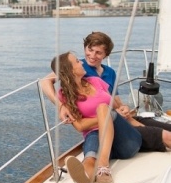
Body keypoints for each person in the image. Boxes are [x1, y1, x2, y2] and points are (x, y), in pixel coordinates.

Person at [42, 31, 171, 152]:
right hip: (106, 124)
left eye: (98, 52)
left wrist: (124, 108)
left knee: (160, 125)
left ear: (106, 55)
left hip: (121, 117)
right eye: (90, 50)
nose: (92, 56)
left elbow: (116, 101)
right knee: (159, 134)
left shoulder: (109, 72)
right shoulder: (78, 67)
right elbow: (45, 81)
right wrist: (61, 106)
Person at [51, 51, 142, 183]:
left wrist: (122, 109)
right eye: (77, 61)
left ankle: (103, 165)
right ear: (70, 70)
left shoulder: (95, 81)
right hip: (93, 133)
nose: (81, 62)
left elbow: (117, 107)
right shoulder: (64, 95)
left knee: (103, 108)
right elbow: (80, 126)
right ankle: (87, 181)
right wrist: (104, 118)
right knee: (89, 159)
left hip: (121, 131)